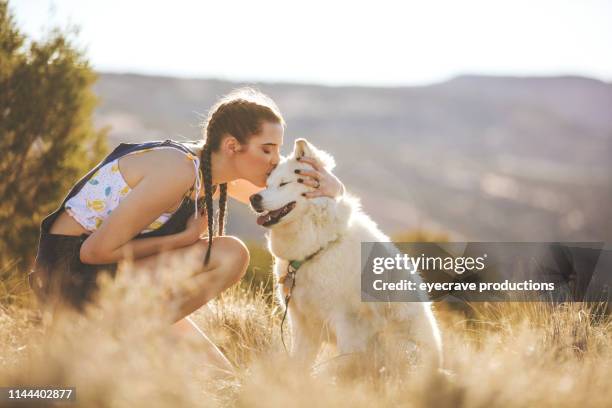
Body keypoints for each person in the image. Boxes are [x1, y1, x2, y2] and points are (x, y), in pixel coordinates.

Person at [28, 87, 345, 374]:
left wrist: (333, 185)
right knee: (230, 254)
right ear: (233, 146)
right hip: (70, 275)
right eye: (267, 149)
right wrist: (182, 239)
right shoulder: (176, 169)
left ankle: (132, 333)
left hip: (106, 270)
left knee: (222, 375)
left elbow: (286, 192)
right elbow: (93, 251)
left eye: (278, 150)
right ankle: (112, 340)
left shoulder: (210, 169)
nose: (276, 161)